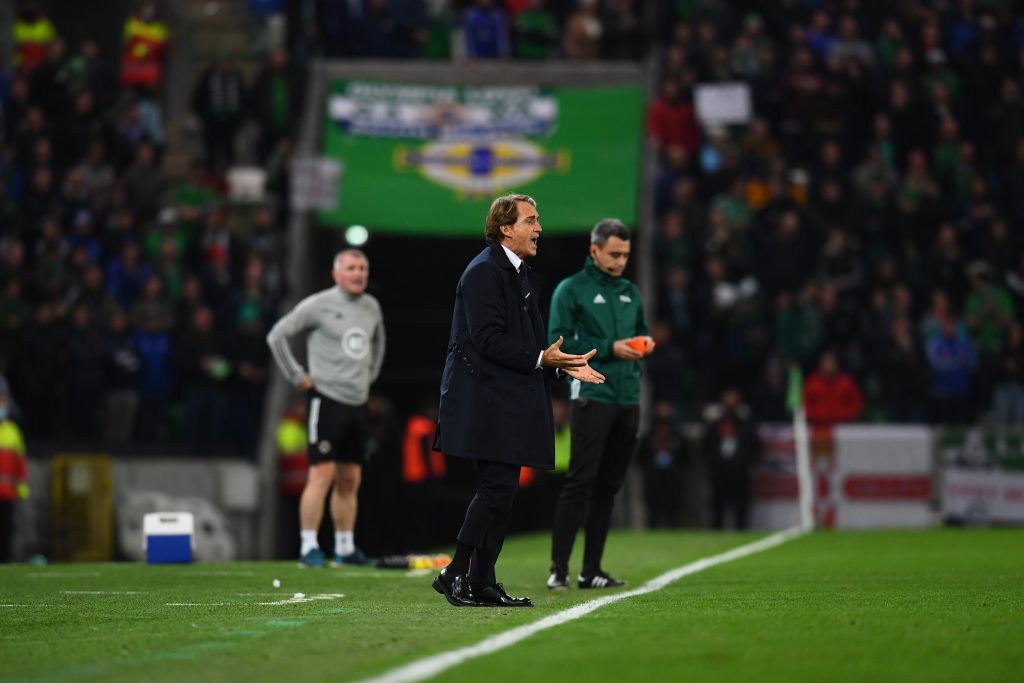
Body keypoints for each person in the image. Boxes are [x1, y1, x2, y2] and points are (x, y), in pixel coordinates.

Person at [431, 193, 604, 608]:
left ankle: (483, 581)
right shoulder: (483, 272)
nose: (539, 228)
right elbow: (487, 339)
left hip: (504, 396)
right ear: (505, 228)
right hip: (483, 398)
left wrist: (559, 365)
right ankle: (455, 572)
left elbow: (523, 346)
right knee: (496, 486)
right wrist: (543, 357)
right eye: (530, 220)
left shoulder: (517, 273)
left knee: (503, 489)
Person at [546, 218, 652, 590]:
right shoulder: (571, 290)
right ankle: (558, 568)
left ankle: (591, 570)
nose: (621, 261)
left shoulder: (630, 292)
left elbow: (640, 334)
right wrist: (610, 348)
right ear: (594, 250)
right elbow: (556, 346)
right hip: (592, 395)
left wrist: (643, 345)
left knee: (608, 487)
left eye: (625, 254)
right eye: (614, 254)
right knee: (580, 481)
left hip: (628, 396)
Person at [266, 249, 385, 567]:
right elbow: (277, 336)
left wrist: (370, 373)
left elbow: (378, 342)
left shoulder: (371, 306)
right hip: (326, 399)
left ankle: (345, 548)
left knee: (350, 478)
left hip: (357, 403)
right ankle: (308, 548)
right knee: (321, 474)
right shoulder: (318, 305)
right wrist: (297, 376)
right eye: (351, 268)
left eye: (362, 267)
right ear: (336, 274)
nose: (358, 273)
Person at [701, 388, 759, 530]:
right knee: (717, 509)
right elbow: (706, 447)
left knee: (741, 509)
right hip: (719, 472)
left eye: (733, 397)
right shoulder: (715, 425)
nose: (730, 401)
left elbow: (755, 446)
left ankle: (742, 536)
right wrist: (714, 463)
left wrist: (745, 462)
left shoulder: (745, 424)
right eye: (728, 397)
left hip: (740, 472)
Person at [0, 387, 29, 562]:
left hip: (8, 491)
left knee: (6, 529)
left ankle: (5, 559)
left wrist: (21, 487)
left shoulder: (13, 431)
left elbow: (20, 461)